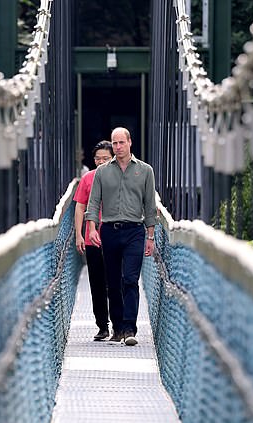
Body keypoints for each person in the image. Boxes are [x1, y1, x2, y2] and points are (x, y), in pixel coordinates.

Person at [86, 127, 157, 346]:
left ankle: (129, 328)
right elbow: (94, 202)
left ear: (130, 143)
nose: (117, 147)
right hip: (109, 230)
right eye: (114, 144)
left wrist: (151, 236)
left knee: (130, 279)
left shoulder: (145, 171)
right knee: (113, 281)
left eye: (121, 143)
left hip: (135, 231)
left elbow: (150, 205)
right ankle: (117, 327)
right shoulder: (102, 172)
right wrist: (91, 229)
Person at [73, 140, 114, 340]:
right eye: (98, 158)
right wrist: (79, 234)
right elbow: (79, 207)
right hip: (92, 238)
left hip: (114, 236)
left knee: (115, 282)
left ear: (113, 158)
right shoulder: (87, 179)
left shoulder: (120, 178)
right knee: (97, 283)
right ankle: (102, 326)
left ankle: (119, 323)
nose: (101, 162)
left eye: (105, 158)